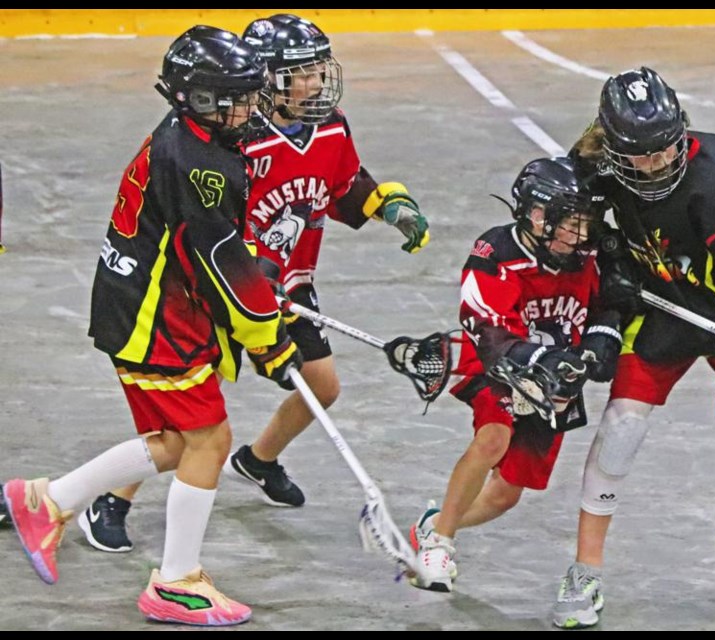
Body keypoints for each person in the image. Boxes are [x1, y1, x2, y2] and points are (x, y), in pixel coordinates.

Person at [77, 13, 430, 553]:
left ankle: (258, 460)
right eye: (301, 73)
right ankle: (113, 498)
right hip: (228, 287)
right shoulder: (236, 143)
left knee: (321, 385)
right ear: (263, 80)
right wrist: (257, 294)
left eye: (317, 70)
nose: (315, 83)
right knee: (192, 412)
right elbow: (214, 238)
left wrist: (387, 204)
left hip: (288, 282)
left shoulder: (330, 126)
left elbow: (343, 185)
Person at [2, 26, 302, 626]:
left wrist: (253, 274)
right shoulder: (199, 163)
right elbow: (216, 259)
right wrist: (268, 337)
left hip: (142, 305)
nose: (248, 108)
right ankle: (175, 583)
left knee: (175, 444)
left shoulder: (189, 140)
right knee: (210, 441)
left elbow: (204, 245)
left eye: (249, 95)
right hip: (153, 322)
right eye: (234, 98)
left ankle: (47, 501)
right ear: (196, 99)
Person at [551, 67, 715, 628]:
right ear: (612, 145)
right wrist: (606, 270)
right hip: (654, 306)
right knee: (620, 428)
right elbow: (570, 240)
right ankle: (585, 570)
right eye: (639, 156)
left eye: (665, 151)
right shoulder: (588, 170)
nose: (656, 165)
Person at [408, 157, 623, 593]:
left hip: (557, 381)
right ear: (537, 214)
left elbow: (609, 304)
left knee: (507, 493)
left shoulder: (587, 256)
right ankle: (440, 547)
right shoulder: (495, 252)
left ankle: (435, 525)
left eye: (585, 223)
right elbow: (490, 335)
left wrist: (602, 340)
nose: (579, 235)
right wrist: (541, 359)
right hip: (500, 366)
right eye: (569, 223)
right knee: (494, 437)